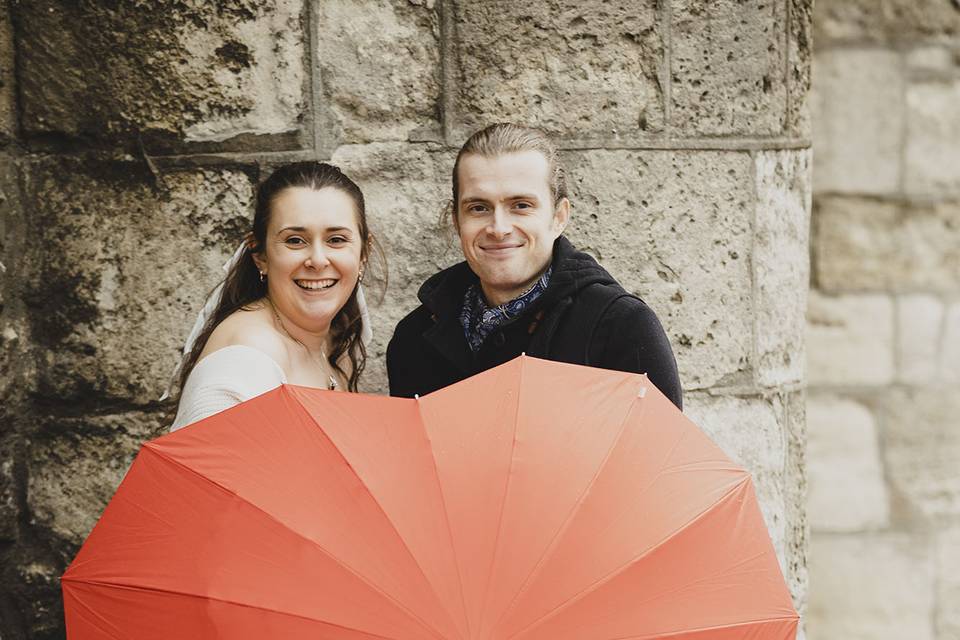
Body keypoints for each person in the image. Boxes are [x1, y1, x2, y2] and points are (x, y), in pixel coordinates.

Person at [387, 123, 682, 408]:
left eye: (521, 205)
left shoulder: (621, 327)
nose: (498, 228)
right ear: (457, 220)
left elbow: (660, 455)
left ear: (559, 217)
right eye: (479, 208)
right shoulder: (414, 338)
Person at [169, 161, 380, 431]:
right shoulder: (244, 360)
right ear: (260, 256)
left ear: (363, 253)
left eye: (336, 240)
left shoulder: (335, 340)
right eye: (295, 240)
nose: (317, 260)